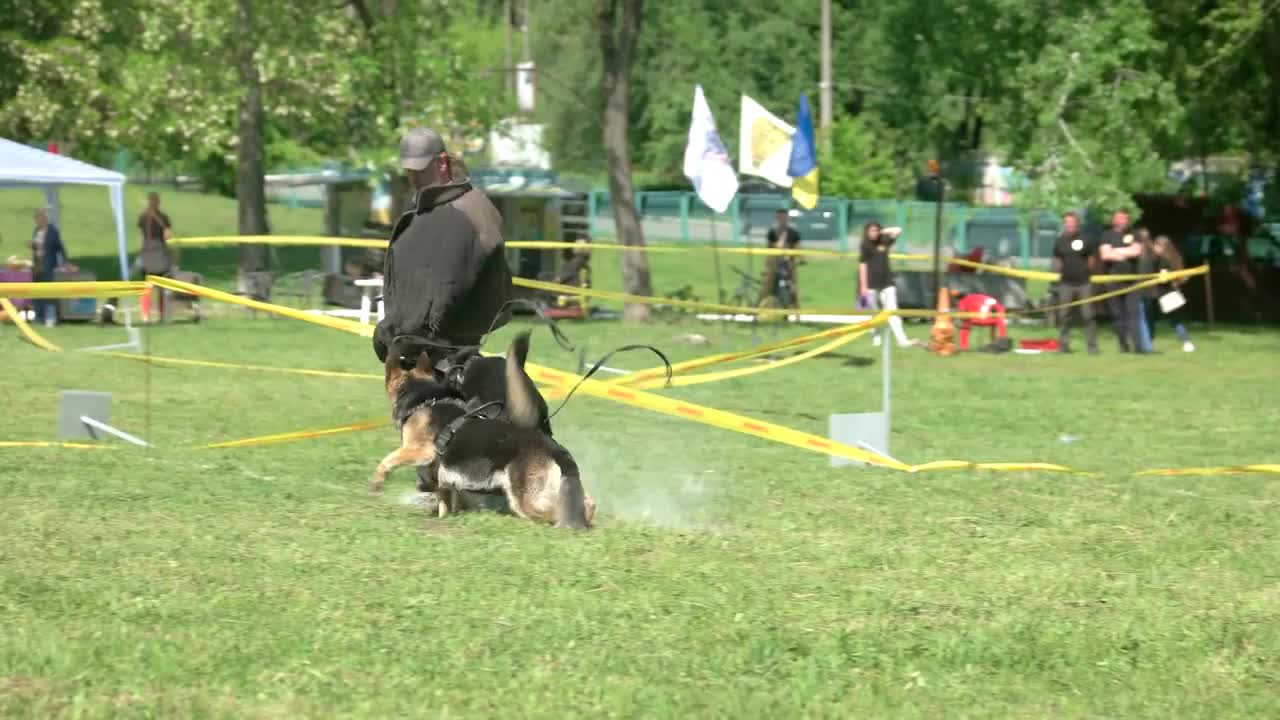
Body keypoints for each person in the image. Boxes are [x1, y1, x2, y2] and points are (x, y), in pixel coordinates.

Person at [372, 127, 513, 369]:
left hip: (447, 353)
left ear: (442, 163)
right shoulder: (425, 209)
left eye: (421, 170)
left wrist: (403, 331)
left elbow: (446, 290)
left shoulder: (469, 210)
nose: (415, 177)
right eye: (410, 171)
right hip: (416, 348)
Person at [858, 221, 915, 347]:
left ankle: (902, 340)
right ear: (866, 232)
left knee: (892, 311)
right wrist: (863, 285)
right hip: (871, 283)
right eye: (871, 231)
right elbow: (862, 265)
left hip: (887, 282)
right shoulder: (865, 245)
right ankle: (875, 337)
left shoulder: (884, 240)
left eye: (876, 230)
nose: (874, 233)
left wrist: (881, 231)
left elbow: (898, 229)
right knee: (873, 313)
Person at [1097, 208, 1145, 352]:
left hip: (1132, 281)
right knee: (1118, 314)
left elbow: (1137, 251)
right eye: (1120, 218)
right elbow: (1105, 255)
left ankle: (1138, 347)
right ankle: (1123, 345)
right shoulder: (1106, 235)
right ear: (1114, 220)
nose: (1123, 220)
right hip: (1113, 281)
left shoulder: (1135, 234)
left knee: (1133, 313)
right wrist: (1126, 252)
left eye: (1125, 218)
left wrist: (1116, 251)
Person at [1051, 211, 1099, 353]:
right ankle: (1064, 346)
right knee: (1064, 315)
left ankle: (1092, 347)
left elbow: (1092, 258)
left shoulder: (1086, 239)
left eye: (1072, 223)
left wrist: (1086, 272)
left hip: (1084, 283)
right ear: (1064, 224)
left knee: (1088, 315)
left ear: (1077, 224)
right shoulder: (1059, 241)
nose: (1070, 225)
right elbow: (1058, 258)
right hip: (1066, 283)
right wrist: (1059, 272)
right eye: (1067, 223)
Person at [1148, 234, 1196, 352]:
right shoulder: (1173, 258)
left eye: (1157, 246)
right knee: (1173, 320)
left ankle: (1186, 342)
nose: (1155, 248)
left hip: (1164, 294)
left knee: (1158, 319)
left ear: (1163, 247)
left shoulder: (1163, 260)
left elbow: (1164, 278)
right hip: (1167, 292)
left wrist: (1160, 278)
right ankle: (1186, 342)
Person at [30, 208, 71, 327]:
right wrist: (32, 245)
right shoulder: (36, 231)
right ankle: (39, 317)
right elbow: (37, 247)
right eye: (36, 219)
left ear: (44, 219)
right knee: (37, 292)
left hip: (48, 266)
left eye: (39, 218)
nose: (37, 221)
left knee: (49, 292)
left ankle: (51, 317)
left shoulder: (53, 231)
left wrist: (65, 262)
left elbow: (60, 247)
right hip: (37, 267)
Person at [133, 192, 174, 278]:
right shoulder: (144, 216)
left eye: (154, 201)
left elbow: (167, 233)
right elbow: (142, 231)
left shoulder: (162, 217)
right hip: (150, 246)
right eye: (152, 201)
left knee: (161, 270)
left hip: (157, 245)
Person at [760, 220, 800, 308]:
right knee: (767, 289)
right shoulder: (774, 246)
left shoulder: (790, 240)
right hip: (776, 269)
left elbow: (796, 252)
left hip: (786, 271)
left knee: (792, 290)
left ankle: (796, 312)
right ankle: (758, 309)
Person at [1133, 228, 1157, 353]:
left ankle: (1147, 343)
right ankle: (1146, 343)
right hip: (1142, 290)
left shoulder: (1150, 253)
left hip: (1146, 290)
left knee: (1146, 317)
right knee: (1144, 317)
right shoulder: (1139, 253)